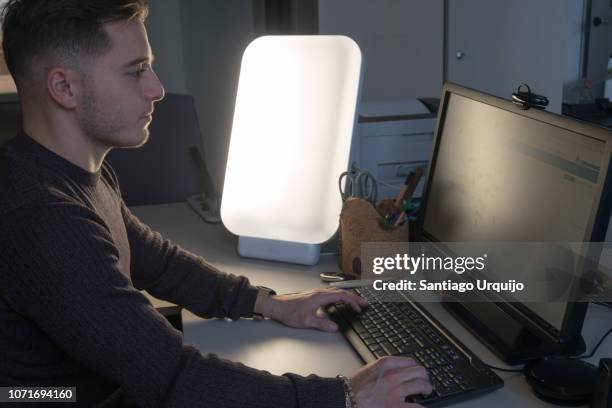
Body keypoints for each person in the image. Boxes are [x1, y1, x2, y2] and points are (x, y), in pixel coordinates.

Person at [0, 1, 432, 407]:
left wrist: (268, 303)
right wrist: (343, 397)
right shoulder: (42, 216)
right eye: (136, 71)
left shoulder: (74, 173)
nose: (157, 89)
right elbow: (173, 378)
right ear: (64, 87)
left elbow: (158, 262)